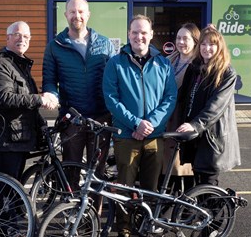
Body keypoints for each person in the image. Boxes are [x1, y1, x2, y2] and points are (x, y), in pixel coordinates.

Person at [103, 14, 177, 237]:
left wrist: (151, 124)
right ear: (129, 34)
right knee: (125, 188)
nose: (139, 37)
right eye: (135, 32)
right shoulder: (115, 63)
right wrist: (136, 123)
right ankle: (124, 229)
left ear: (151, 34)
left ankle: (146, 227)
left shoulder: (163, 63)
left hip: (155, 136)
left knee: (150, 189)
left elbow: (170, 97)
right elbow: (111, 98)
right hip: (126, 136)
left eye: (144, 32)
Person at [42, 0, 116, 212]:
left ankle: (94, 213)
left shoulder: (104, 43)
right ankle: (72, 214)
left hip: (100, 117)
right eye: (72, 12)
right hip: (71, 118)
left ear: (88, 14)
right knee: (71, 169)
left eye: (81, 11)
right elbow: (48, 78)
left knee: (98, 171)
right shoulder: (55, 46)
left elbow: (114, 78)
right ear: (65, 15)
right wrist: (51, 94)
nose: (77, 16)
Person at [0, 21, 56, 182]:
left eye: (26, 36)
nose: (21, 39)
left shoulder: (20, 65)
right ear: (7, 38)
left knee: (14, 192)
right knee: (5, 193)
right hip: (5, 141)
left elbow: (28, 107)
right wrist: (40, 99)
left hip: (18, 139)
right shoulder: (0, 64)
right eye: (17, 35)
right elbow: (5, 98)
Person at [176, 24, 241, 186]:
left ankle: (216, 209)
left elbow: (216, 106)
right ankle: (195, 211)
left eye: (212, 44)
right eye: (203, 44)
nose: (207, 48)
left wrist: (195, 125)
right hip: (194, 134)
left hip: (211, 135)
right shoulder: (195, 68)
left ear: (219, 47)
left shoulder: (226, 72)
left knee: (208, 182)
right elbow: (182, 97)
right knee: (195, 180)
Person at [161, 23, 200, 195]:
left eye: (186, 38)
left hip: (182, 117)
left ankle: (185, 202)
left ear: (195, 41)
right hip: (166, 116)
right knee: (166, 161)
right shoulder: (170, 60)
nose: (181, 42)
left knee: (181, 165)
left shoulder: (198, 64)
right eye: (178, 38)